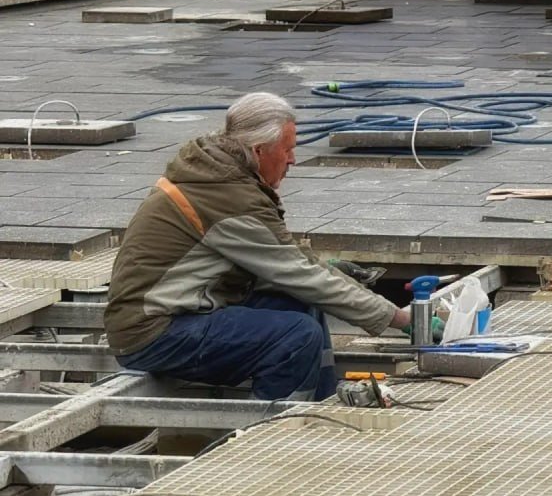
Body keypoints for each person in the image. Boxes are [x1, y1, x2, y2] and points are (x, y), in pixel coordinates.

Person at [105, 92, 411, 401]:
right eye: (288, 149)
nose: (292, 159)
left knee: (302, 304)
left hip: (179, 314)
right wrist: (398, 319)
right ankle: (274, 433)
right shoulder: (228, 195)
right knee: (298, 336)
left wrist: (331, 271)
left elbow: (290, 264)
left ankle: (323, 402)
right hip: (153, 333)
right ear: (259, 149)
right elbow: (301, 275)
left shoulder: (220, 173)